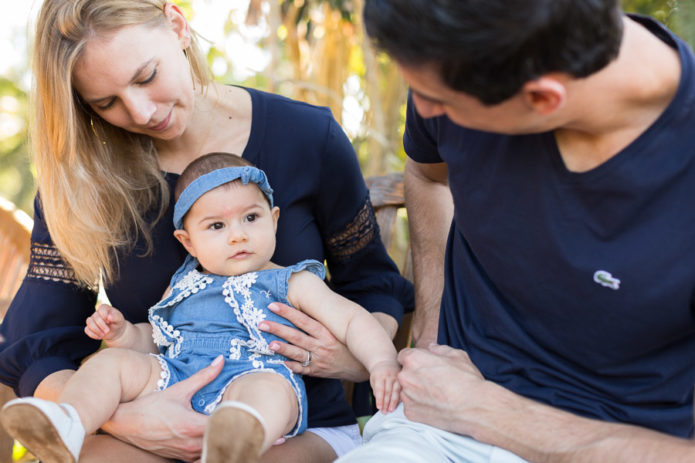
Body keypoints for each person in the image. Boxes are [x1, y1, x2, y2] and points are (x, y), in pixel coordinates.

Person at [0, 1, 413, 462]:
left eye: (146, 76)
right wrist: (126, 418)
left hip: (288, 420)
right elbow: (43, 340)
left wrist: (351, 359)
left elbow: (371, 284)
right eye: (106, 102)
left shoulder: (305, 137)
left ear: (177, 25)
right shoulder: (83, 178)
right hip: (146, 411)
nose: (139, 112)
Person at [338, 0, 695, 462]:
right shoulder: (459, 60)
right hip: (431, 426)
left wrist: (484, 410)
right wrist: (429, 333)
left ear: (544, 98)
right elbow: (429, 176)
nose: (423, 106)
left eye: (441, 102)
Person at [0, 153, 402, 463]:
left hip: (256, 377)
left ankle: (234, 443)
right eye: (216, 226)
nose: (238, 235)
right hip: (178, 382)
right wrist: (124, 335)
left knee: (264, 390)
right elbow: (155, 340)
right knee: (111, 365)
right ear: (188, 242)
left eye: (251, 217)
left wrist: (382, 362)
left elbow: (352, 320)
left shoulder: (292, 281)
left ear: (274, 220)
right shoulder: (184, 285)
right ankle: (69, 421)